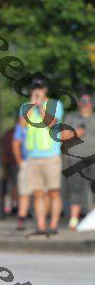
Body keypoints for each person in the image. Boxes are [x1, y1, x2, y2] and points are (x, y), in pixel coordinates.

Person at [19, 77, 64, 235]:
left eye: (40, 88)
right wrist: (32, 105)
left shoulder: (55, 104)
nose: (37, 91)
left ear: (45, 89)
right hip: (33, 156)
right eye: (35, 88)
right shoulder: (25, 107)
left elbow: (51, 123)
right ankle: (41, 226)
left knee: (53, 192)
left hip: (51, 156)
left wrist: (40, 107)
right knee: (37, 193)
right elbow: (22, 125)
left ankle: (53, 225)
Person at [63, 93, 95, 230]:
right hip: (75, 158)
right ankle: (74, 219)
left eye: (88, 102)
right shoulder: (71, 117)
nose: (86, 104)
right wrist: (75, 133)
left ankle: (92, 219)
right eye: (83, 102)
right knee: (76, 189)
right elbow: (62, 135)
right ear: (80, 103)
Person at [12, 120, 30, 230]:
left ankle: (42, 221)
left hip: (43, 159)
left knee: (43, 193)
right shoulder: (22, 124)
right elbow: (16, 142)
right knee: (24, 192)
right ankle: (21, 218)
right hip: (26, 162)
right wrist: (20, 162)